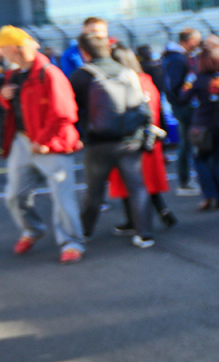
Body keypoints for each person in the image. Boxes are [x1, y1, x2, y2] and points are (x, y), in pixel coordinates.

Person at [0, 26, 85, 263]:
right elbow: (15, 109)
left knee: (62, 198)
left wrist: (43, 141)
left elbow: (65, 113)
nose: (1, 54)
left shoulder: (49, 74)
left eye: (2, 49)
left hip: (51, 144)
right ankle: (32, 229)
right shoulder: (14, 75)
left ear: (13, 49)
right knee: (14, 195)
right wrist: (3, 97)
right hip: (23, 142)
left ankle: (72, 243)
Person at [69, 33, 155, 248]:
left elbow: (72, 109)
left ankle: (85, 231)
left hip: (98, 142)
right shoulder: (126, 71)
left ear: (84, 52)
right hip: (130, 139)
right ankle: (144, 234)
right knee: (137, 187)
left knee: (94, 190)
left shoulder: (81, 75)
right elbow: (141, 105)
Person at [107, 43, 176, 235]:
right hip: (150, 139)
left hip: (129, 140)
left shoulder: (120, 83)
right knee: (147, 180)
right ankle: (162, 211)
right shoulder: (146, 81)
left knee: (129, 182)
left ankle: (136, 222)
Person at [179, 42, 219, 211]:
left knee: (200, 160)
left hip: (202, 126)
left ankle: (210, 195)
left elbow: (183, 97)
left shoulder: (196, 77)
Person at [162, 28, 202, 196]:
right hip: (185, 107)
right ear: (188, 40)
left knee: (188, 144)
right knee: (187, 144)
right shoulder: (177, 59)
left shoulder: (175, 57)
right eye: (196, 40)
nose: (198, 43)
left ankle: (186, 179)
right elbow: (174, 85)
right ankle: (185, 180)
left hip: (183, 106)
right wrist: (183, 101)